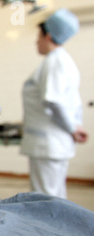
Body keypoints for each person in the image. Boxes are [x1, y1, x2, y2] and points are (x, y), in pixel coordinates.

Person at [20, 8, 88, 198]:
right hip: (51, 143)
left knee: (45, 200)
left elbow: (53, 101)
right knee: (54, 197)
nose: (36, 41)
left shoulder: (55, 61)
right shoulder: (62, 61)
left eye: (38, 36)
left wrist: (73, 128)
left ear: (48, 36)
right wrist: (74, 126)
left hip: (48, 143)